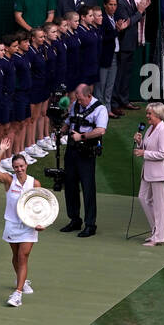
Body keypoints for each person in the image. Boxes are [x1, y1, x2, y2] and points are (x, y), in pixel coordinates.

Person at [0, 138, 45, 308]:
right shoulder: (9, 181)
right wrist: (1, 150)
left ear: (26, 165)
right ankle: (22, 280)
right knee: (16, 257)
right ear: (13, 168)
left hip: (29, 226)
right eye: (16, 167)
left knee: (23, 256)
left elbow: (41, 206)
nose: (19, 169)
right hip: (11, 224)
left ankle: (18, 293)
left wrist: (40, 223)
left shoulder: (34, 183)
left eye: (21, 166)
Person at [57, 83, 108, 238]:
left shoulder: (100, 109)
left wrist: (82, 136)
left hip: (87, 153)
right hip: (72, 151)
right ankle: (74, 219)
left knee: (88, 189)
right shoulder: (75, 105)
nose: (78, 102)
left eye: (80, 99)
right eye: (77, 99)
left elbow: (101, 130)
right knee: (70, 186)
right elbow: (69, 122)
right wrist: (60, 132)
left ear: (88, 96)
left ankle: (90, 224)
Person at [134, 102, 164, 246]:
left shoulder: (163, 131)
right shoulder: (150, 128)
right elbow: (147, 147)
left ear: (158, 115)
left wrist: (144, 153)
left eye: (149, 113)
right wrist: (140, 143)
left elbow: (163, 153)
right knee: (143, 198)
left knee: (159, 205)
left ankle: (159, 237)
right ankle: (155, 231)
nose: (147, 116)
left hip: (160, 174)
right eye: (147, 113)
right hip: (148, 172)